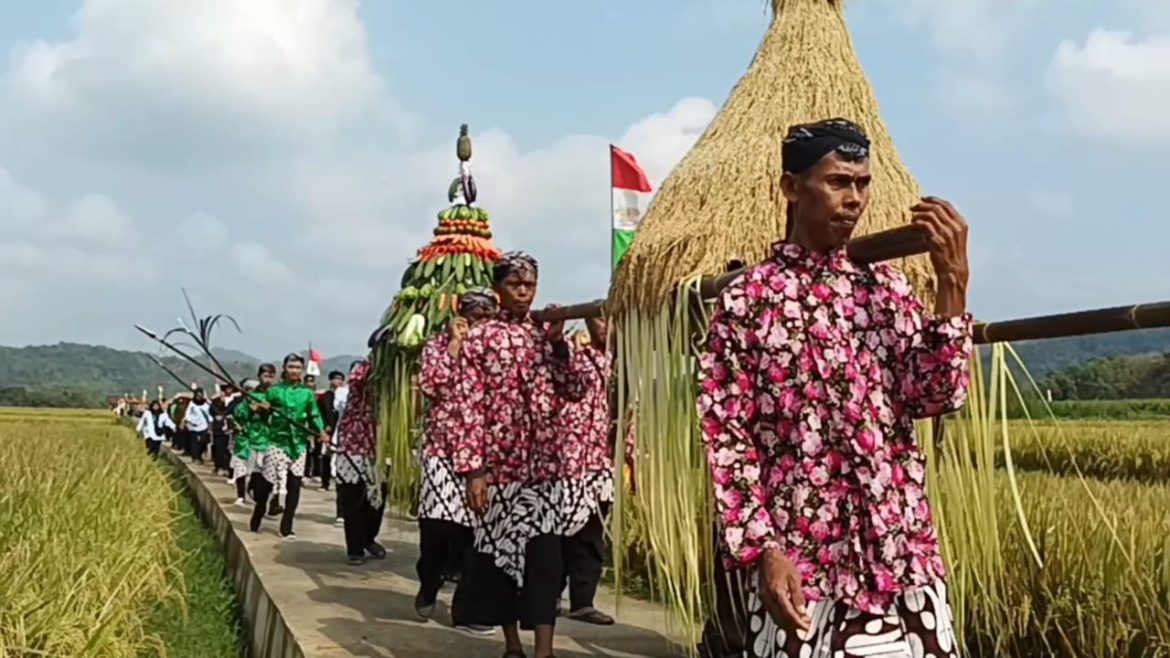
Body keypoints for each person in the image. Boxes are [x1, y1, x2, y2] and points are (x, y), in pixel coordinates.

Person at [696, 118, 973, 658]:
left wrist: (952, 284)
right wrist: (763, 551)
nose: (854, 198)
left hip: (898, 553)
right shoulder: (749, 301)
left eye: (863, 183)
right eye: (838, 182)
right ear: (792, 188)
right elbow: (726, 438)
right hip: (803, 563)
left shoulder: (885, 289)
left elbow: (934, 396)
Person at [451, 251, 587, 658]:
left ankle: (544, 650)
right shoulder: (480, 340)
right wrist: (474, 470)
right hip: (500, 473)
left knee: (546, 563)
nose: (524, 293)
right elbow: (467, 406)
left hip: (544, 473)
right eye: (515, 284)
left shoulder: (547, 337)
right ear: (498, 288)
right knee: (502, 561)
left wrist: (559, 343)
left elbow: (575, 390)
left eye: (529, 285)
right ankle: (512, 644)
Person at [414, 288, 498, 635]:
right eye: (474, 316)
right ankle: (429, 579)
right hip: (442, 449)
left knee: (476, 534)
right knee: (438, 525)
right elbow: (431, 386)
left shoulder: (498, 349)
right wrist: (453, 346)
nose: (479, 322)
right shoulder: (436, 346)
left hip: (484, 451)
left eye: (486, 316)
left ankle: (467, 609)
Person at [554, 320, 616, 626]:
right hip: (563, 461)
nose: (604, 329)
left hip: (599, 464)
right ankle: (548, 594)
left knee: (591, 536)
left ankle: (583, 601)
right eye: (600, 323)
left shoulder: (611, 362)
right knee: (557, 533)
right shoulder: (565, 354)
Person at [250, 354, 327, 539]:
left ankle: (287, 526)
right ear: (284, 368)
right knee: (267, 484)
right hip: (277, 442)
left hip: (298, 444)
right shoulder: (274, 391)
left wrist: (322, 431)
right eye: (291, 367)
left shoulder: (307, 393)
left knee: (294, 486)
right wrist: (262, 408)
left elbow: (313, 415)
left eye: (298, 367)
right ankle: (259, 510)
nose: (294, 370)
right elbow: (261, 417)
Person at [333, 359, 389, 565]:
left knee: (378, 498)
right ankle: (355, 548)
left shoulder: (393, 385)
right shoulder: (362, 374)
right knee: (353, 498)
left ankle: (368, 538)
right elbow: (358, 379)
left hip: (381, 447)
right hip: (353, 446)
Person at [233, 366, 275, 509]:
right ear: (259, 376)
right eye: (265, 376)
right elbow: (240, 414)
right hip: (250, 438)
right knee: (247, 469)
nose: (268, 379)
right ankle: (244, 495)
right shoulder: (250, 397)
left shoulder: (276, 394)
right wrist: (252, 409)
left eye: (271, 376)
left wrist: (270, 410)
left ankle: (268, 500)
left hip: (270, 438)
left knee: (268, 473)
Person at [317, 370, 345, 492]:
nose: (337, 381)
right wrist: (323, 426)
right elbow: (319, 413)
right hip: (328, 430)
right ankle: (325, 483)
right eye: (335, 378)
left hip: (342, 430)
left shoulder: (346, 395)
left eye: (339, 379)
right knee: (326, 457)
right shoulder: (325, 396)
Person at [210, 384, 239, 478]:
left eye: (230, 388)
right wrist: (219, 405)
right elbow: (212, 410)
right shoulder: (217, 401)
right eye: (227, 388)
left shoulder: (235, 401)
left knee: (229, 449)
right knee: (218, 448)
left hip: (230, 427)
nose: (228, 390)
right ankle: (219, 466)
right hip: (218, 428)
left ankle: (226, 468)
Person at [183, 388, 213, 464]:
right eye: (197, 395)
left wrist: (211, 422)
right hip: (193, 426)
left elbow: (210, 413)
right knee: (194, 443)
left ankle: (199, 455)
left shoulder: (206, 404)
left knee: (204, 441)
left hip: (203, 426)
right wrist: (191, 421)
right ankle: (195, 457)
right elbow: (187, 414)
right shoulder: (191, 404)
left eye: (200, 395)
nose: (199, 397)